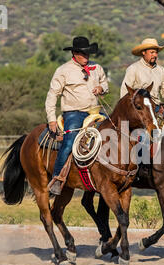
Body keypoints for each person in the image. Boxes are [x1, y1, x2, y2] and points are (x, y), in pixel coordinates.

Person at [45, 36, 108, 195]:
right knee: (69, 142)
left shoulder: (97, 68)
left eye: (87, 54)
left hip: (95, 112)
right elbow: (52, 95)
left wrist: (101, 88)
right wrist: (52, 119)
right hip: (74, 113)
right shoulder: (63, 70)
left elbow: (105, 84)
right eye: (82, 54)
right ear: (74, 53)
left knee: (113, 134)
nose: (86, 57)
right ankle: (57, 179)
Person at [120, 38, 164, 126]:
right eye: (152, 52)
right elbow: (125, 92)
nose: (155, 55)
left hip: (157, 109)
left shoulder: (161, 70)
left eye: (156, 52)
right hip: (140, 111)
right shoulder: (133, 69)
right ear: (143, 52)